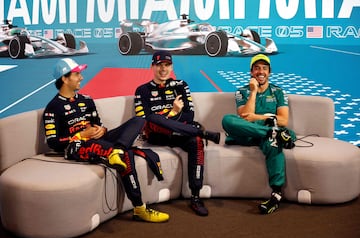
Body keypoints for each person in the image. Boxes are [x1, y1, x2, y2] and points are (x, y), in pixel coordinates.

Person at [43, 58, 169, 223]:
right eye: (77, 74)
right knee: (126, 155)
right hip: (77, 146)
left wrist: (101, 130)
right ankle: (140, 208)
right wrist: (82, 135)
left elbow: (99, 125)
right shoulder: (52, 108)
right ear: (65, 79)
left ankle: (117, 149)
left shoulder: (86, 100)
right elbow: (53, 142)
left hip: (100, 139)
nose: (81, 78)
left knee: (139, 120)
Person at [134, 50, 220, 216]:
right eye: (159, 65)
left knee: (195, 141)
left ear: (171, 67)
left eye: (167, 65)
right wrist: (172, 113)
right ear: (152, 67)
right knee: (153, 119)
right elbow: (142, 120)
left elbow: (189, 115)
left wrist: (173, 118)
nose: (163, 69)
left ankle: (195, 197)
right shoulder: (142, 90)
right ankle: (203, 133)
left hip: (179, 134)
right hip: (156, 135)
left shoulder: (181, 85)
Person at [222, 54, 296, 214]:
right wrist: (254, 92)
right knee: (228, 120)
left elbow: (283, 120)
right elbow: (244, 118)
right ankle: (273, 132)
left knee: (273, 141)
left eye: (264, 68)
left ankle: (276, 195)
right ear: (251, 72)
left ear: (269, 72)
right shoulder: (242, 92)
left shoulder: (278, 92)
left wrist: (257, 118)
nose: (260, 71)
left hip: (265, 136)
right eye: (257, 68)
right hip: (251, 132)